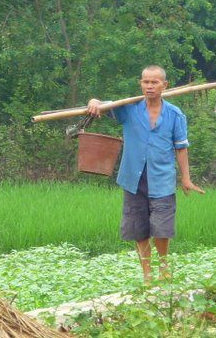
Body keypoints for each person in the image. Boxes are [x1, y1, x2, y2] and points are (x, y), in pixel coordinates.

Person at [87, 65, 204, 284]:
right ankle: (147, 274)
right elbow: (103, 106)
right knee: (138, 227)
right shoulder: (129, 109)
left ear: (164, 85)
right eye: (146, 82)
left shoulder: (175, 114)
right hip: (134, 178)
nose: (149, 86)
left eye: (154, 82)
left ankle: (163, 267)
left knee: (162, 227)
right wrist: (95, 101)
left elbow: (181, 147)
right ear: (140, 83)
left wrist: (186, 178)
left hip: (162, 179)